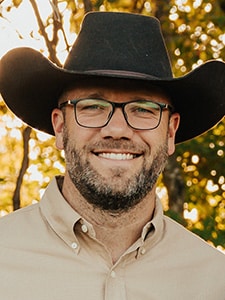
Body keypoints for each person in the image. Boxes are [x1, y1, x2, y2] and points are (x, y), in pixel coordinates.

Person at [0, 11, 225, 300]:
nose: (117, 130)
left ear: (170, 133)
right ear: (59, 126)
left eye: (143, 109)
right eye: (92, 106)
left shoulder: (215, 281)